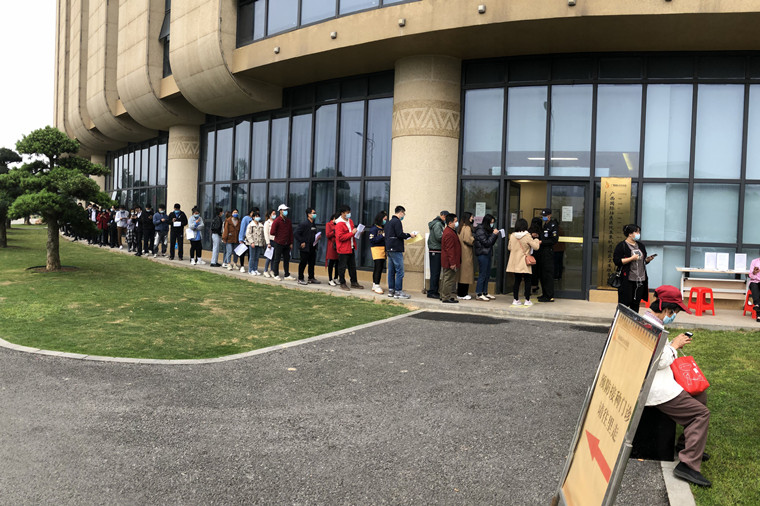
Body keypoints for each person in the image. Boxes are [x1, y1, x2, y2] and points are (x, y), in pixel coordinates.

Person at [642, 285, 711, 488]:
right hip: (656, 388)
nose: (674, 316)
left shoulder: (650, 321)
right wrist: (674, 346)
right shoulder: (651, 327)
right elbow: (658, 362)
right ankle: (687, 465)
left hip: (661, 380)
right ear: (666, 309)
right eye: (675, 312)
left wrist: (671, 344)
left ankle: (687, 445)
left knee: (700, 396)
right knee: (701, 414)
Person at [613, 224, 655, 313]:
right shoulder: (622, 246)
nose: (638, 234)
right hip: (627, 279)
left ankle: (633, 320)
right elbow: (617, 261)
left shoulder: (641, 246)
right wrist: (631, 258)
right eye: (636, 232)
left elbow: (642, 261)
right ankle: (620, 319)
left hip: (640, 279)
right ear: (630, 234)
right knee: (624, 302)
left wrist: (647, 260)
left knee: (636, 302)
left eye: (639, 232)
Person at [507, 218, 541, 307]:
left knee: (517, 281)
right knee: (527, 280)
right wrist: (536, 240)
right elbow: (536, 247)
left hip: (515, 261)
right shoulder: (527, 236)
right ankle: (527, 300)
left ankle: (515, 299)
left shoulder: (512, 236)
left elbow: (509, 247)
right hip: (524, 261)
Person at [385, 205, 416, 299]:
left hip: (389, 249)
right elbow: (399, 234)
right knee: (400, 271)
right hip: (396, 249)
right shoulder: (397, 221)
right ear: (401, 212)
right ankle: (398, 291)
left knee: (391, 271)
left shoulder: (389, 222)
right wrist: (409, 235)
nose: (403, 216)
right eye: (404, 214)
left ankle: (391, 290)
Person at [335, 205, 363, 291]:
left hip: (351, 247)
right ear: (342, 213)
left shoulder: (350, 221)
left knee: (352, 266)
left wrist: (358, 232)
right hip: (343, 248)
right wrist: (352, 233)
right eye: (347, 212)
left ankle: (354, 282)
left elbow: (352, 232)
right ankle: (342, 283)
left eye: (349, 212)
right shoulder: (339, 223)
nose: (349, 214)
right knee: (342, 267)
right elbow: (340, 237)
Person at [473, 214, 500, 301]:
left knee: (487, 274)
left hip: (488, 253)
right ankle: (478, 293)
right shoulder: (480, 230)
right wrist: (493, 235)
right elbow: (486, 243)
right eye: (491, 222)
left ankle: (485, 292)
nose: (492, 224)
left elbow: (491, 242)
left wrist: (495, 235)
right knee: (482, 274)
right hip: (482, 253)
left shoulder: (486, 229)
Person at [536, 208, 559, 302]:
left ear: (550, 216)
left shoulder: (553, 225)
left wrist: (542, 242)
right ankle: (544, 293)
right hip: (542, 252)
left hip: (548, 252)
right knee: (542, 274)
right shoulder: (544, 225)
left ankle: (549, 296)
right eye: (543, 216)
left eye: (545, 216)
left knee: (548, 274)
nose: (544, 217)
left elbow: (554, 240)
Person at [294, 207, 321, 285]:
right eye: (313, 213)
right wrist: (302, 241)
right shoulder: (304, 224)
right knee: (303, 263)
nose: (315, 214)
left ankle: (311, 278)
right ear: (309, 215)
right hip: (305, 247)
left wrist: (317, 237)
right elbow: (296, 233)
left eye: (315, 213)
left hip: (312, 247)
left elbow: (313, 234)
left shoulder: (314, 224)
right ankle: (300, 278)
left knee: (312, 263)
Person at [269, 204, 295, 281]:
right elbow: (272, 232)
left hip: (287, 243)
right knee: (277, 259)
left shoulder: (288, 221)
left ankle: (287, 274)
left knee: (286, 259)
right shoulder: (277, 221)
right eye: (284, 210)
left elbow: (290, 233)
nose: (285, 211)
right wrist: (280, 235)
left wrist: (291, 242)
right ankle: (276, 274)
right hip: (278, 243)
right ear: (280, 211)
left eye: (286, 210)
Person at [427, 210, 449, 299]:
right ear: (443, 216)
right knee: (435, 272)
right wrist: (447, 237)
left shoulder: (439, 223)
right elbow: (439, 237)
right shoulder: (438, 224)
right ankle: (432, 292)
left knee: (436, 272)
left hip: (435, 250)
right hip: (435, 250)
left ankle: (434, 291)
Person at [440, 213, 461, 304]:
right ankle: (446, 297)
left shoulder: (450, 231)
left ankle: (443, 295)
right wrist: (452, 263)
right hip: (449, 261)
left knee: (445, 278)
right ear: (450, 223)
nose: (457, 223)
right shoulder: (449, 233)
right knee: (448, 279)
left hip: (448, 260)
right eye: (455, 221)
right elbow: (450, 250)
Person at [368, 211, 388, 294]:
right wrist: (382, 236)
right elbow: (372, 240)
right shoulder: (374, 229)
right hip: (376, 249)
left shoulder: (383, 228)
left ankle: (375, 284)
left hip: (383, 249)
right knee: (378, 267)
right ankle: (376, 285)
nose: (385, 221)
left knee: (380, 267)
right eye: (384, 219)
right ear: (380, 218)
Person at [457, 212, 475, 300]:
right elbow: (467, 239)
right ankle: (463, 294)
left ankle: (460, 293)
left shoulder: (460, 227)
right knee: (466, 274)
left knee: (461, 274)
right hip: (466, 252)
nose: (472, 218)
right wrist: (474, 239)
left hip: (461, 252)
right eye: (471, 217)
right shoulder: (467, 228)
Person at [245, 210, 266, 275]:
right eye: (256, 216)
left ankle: (255, 269)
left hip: (259, 243)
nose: (258, 218)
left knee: (257, 257)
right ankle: (250, 270)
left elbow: (263, 235)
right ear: (253, 217)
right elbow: (248, 234)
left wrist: (263, 243)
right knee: (252, 257)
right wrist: (252, 242)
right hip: (253, 243)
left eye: (258, 216)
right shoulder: (250, 225)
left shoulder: (261, 225)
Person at [237, 208, 257, 273]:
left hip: (252, 240)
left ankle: (250, 267)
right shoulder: (246, 218)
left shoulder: (255, 220)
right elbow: (242, 228)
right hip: (245, 239)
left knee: (250, 254)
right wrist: (241, 239)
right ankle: (242, 266)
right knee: (243, 253)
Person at [325, 212, 340, 286]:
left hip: (339, 245)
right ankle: (330, 279)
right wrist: (334, 231)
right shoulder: (329, 224)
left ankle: (336, 277)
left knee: (338, 262)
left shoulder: (339, 224)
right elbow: (328, 235)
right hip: (332, 246)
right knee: (331, 262)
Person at [262, 209, 276, 277]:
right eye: (273, 214)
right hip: (270, 241)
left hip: (275, 241)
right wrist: (268, 243)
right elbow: (266, 233)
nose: (274, 215)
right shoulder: (267, 223)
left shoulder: (275, 222)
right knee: (269, 257)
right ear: (270, 215)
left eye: (275, 214)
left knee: (274, 257)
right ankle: (265, 270)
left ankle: (272, 270)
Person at [748, 256, 760, 323]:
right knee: (754, 287)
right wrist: (754, 273)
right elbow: (750, 276)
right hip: (754, 282)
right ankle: (757, 305)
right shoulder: (754, 261)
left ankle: (759, 315)